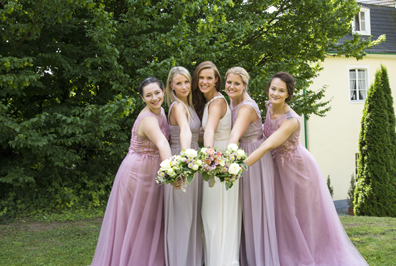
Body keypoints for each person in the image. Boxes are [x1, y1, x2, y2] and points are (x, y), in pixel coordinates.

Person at [243, 72, 369, 266]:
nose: (275, 93)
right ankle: (285, 253)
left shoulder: (291, 120)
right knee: (282, 213)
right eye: (273, 88)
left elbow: (267, 145)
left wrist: (240, 166)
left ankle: (308, 256)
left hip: (297, 169)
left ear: (288, 94)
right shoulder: (268, 107)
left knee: (301, 214)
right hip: (278, 168)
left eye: (281, 90)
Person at [90, 77, 171, 266]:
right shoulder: (149, 119)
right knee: (138, 220)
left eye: (157, 93)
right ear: (142, 98)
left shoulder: (161, 112)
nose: (154, 98)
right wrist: (172, 172)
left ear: (163, 91)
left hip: (152, 171)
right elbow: (162, 143)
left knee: (149, 220)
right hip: (138, 173)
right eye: (148, 95)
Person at [226, 67, 279, 266]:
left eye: (237, 84)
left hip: (253, 158)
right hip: (241, 154)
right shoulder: (232, 100)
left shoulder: (246, 107)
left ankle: (260, 260)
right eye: (229, 82)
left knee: (254, 210)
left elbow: (234, 135)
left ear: (245, 85)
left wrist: (228, 163)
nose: (232, 86)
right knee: (242, 211)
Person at [192, 61, 241, 266]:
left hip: (218, 163)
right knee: (213, 216)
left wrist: (210, 160)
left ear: (216, 80)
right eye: (201, 77)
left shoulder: (216, 102)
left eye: (209, 78)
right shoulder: (212, 101)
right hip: (219, 159)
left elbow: (210, 130)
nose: (204, 81)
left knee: (216, 217)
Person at [163, 66, 203, 266]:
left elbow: (196, 133)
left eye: (186, 81)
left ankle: (191, 260)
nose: (184, 86)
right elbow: (185, 131)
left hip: (192, 157)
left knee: (192, 213)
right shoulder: (178, 107)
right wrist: (185, 161)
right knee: (182, 215)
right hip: (182, 158)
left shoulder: (189, 106)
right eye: (179, 83)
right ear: (171, 86)